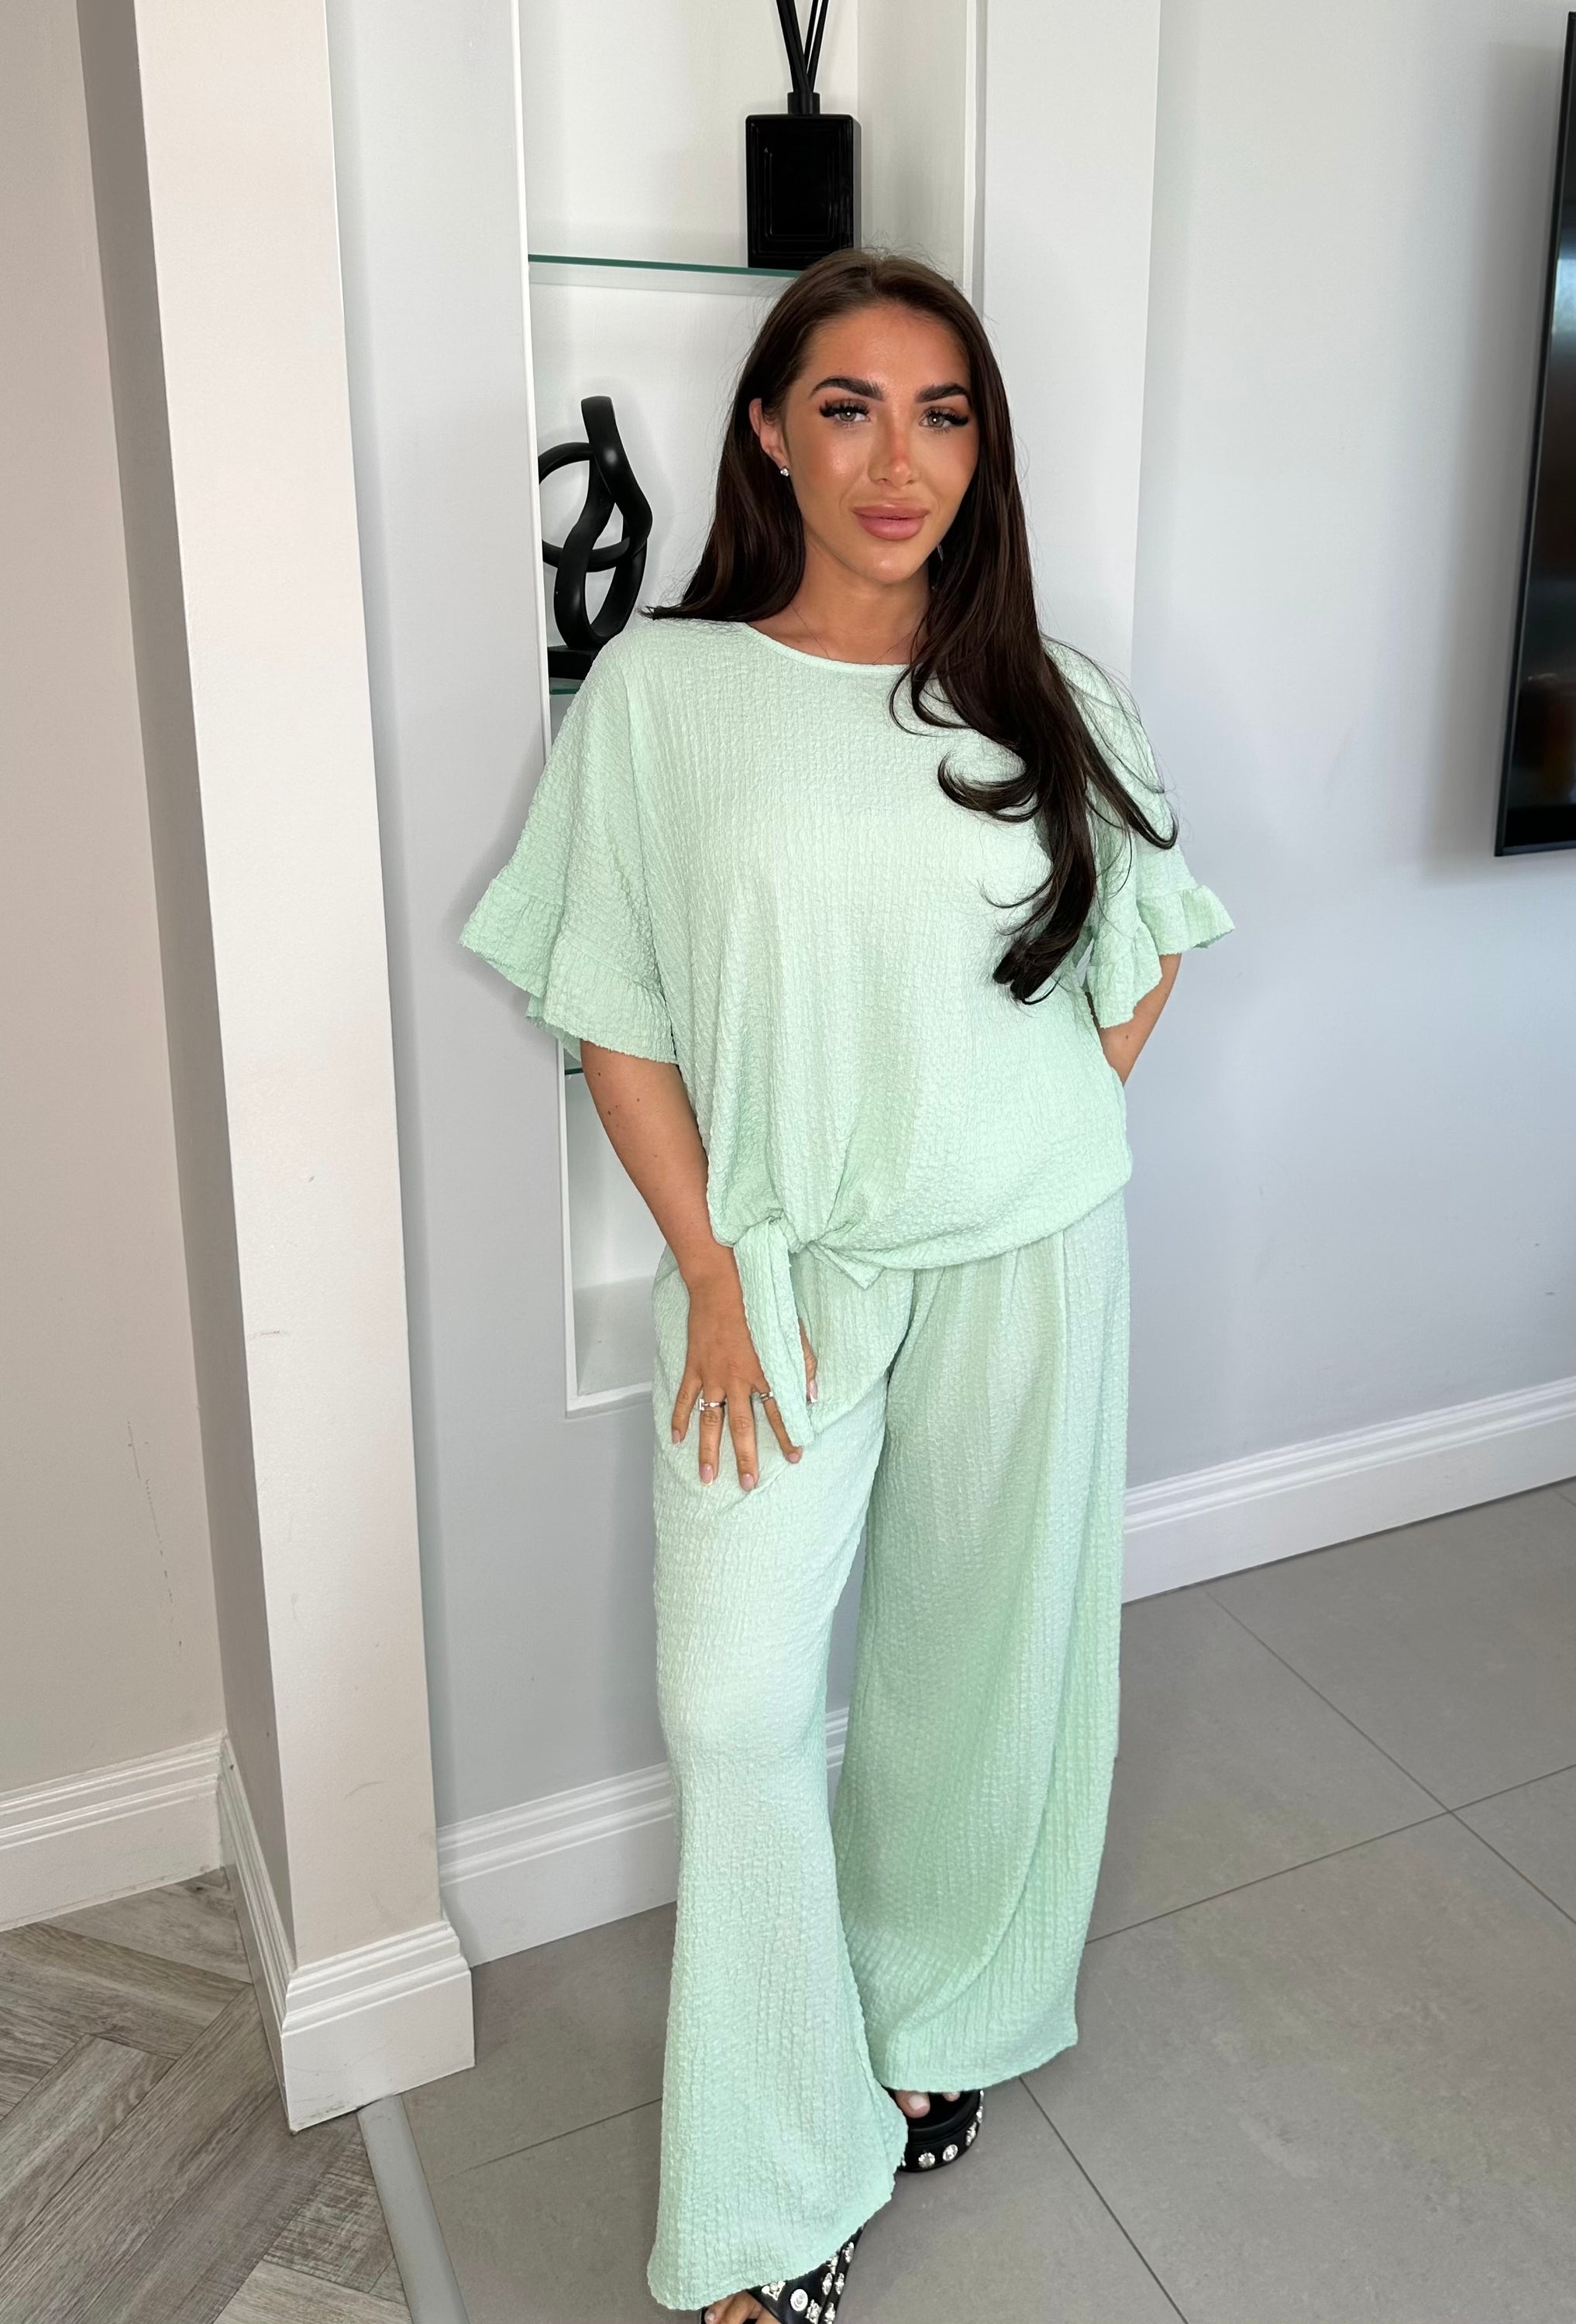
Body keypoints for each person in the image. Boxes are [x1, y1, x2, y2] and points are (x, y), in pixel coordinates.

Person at [459, 246, 1233, 2323]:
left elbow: (1139, 953)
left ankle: (930, 2020)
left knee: (981, 1670)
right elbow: (612, 1010)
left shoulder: (1052, 693)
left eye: (944, 414)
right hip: (780, 1277)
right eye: (852, 408)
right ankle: (773, 2187)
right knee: (733, 1710)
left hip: (1031, 1258)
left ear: (983, 451)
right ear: (768, 436)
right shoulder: (666, 695)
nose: (902, 461)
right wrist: (713, 1274)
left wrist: (1016, 1138)